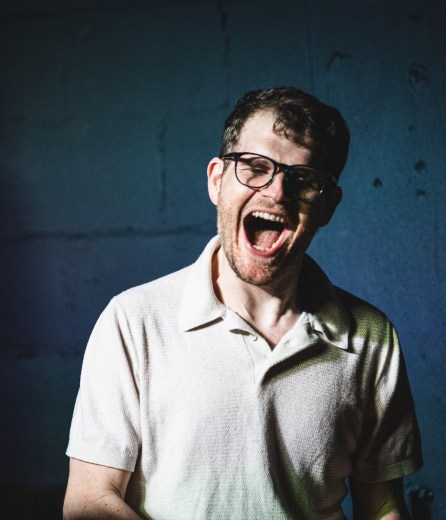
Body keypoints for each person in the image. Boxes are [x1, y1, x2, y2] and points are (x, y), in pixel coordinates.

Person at [63, 87, 423, 519]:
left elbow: (382, 503)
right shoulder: (133, 321)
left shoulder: (371, 336)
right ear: (216, 180)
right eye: (255, 168)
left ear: (327, 206)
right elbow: (90, 501)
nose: (276, 193)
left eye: (304, 180)